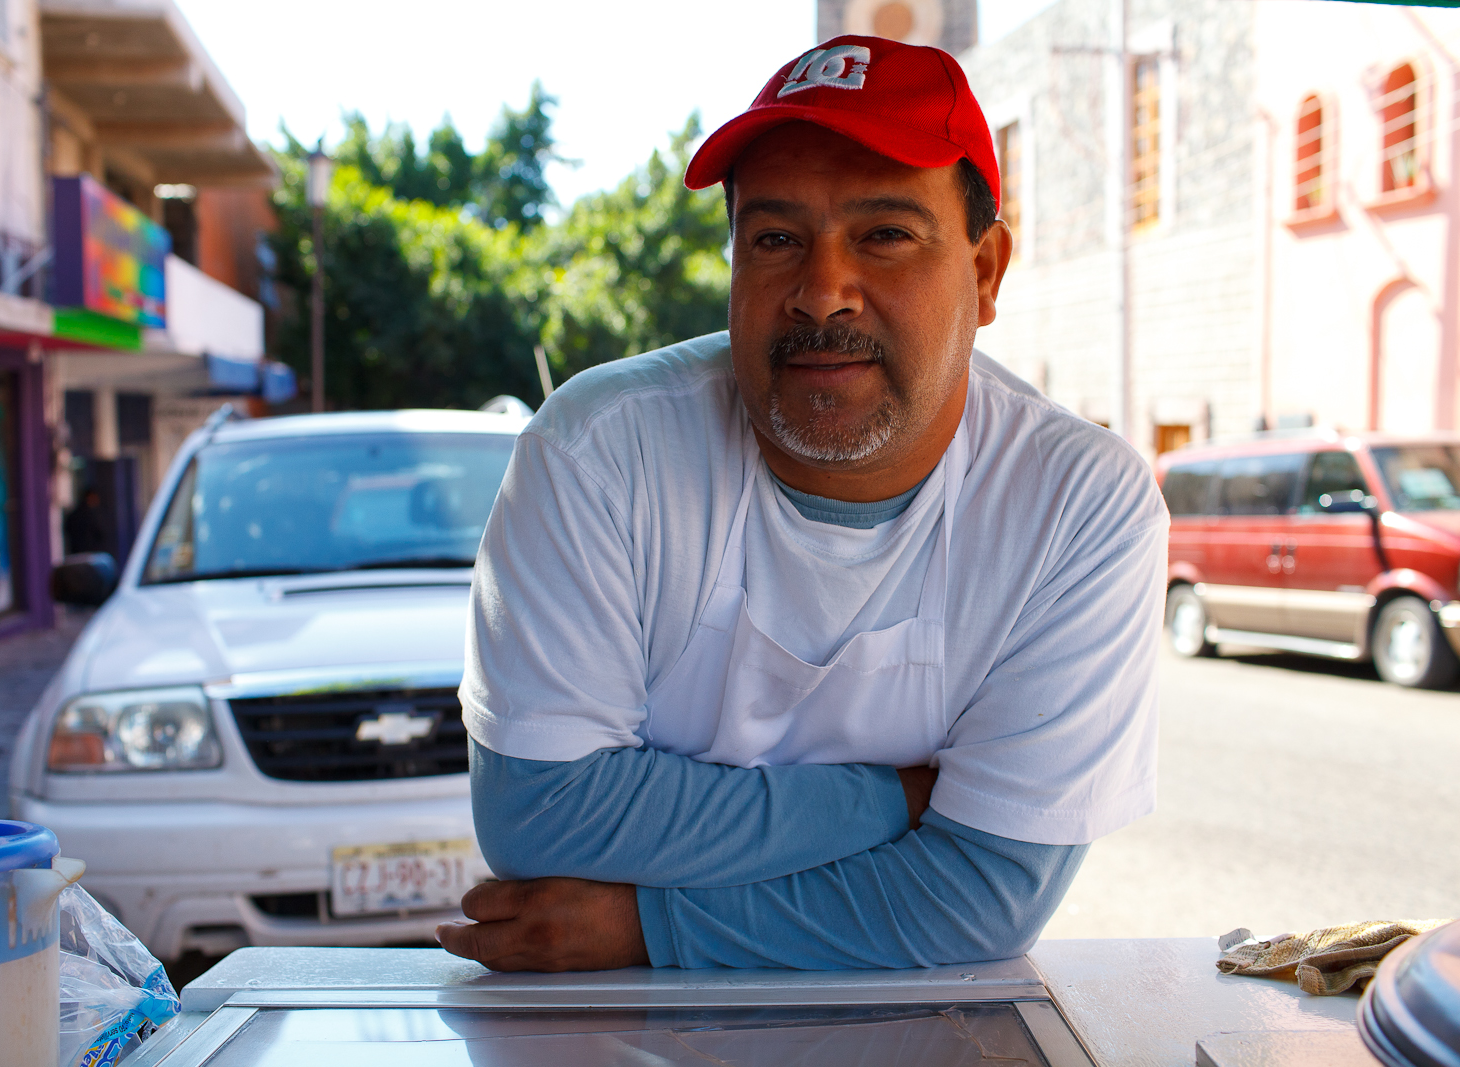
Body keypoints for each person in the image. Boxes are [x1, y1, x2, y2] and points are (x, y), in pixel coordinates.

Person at [437, 36, 1168, 972]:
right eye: (776, 238)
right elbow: (540, 816)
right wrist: (897, 802)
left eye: (886, 234)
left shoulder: (1078, 506)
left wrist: (645, 927)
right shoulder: (600, 450)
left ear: (985, 273)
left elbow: (981, 896)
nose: (823, 291)